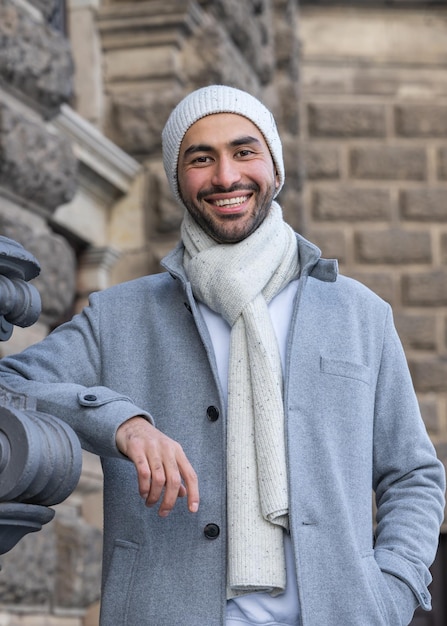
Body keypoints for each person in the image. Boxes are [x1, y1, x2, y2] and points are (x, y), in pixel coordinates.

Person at [0, 85, 444, 626]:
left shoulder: (359, 314)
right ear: (177, 180)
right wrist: (123, 423)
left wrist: (394, 587)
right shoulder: (121, 315)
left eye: (244, 151)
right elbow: (11, 385)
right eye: (200, 158)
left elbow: (413, 475)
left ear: (274, 169)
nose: (226, 177)